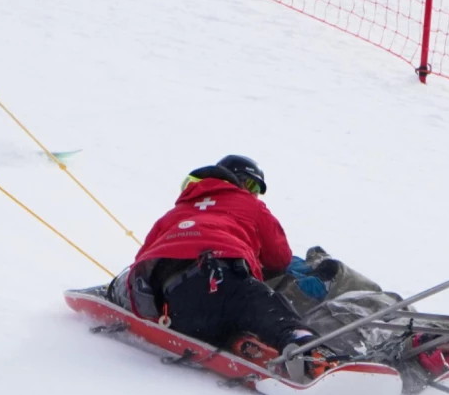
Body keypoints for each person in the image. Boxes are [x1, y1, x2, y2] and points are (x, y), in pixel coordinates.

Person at [123, 155, 333, 381]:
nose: (251, 192)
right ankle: (308, 349)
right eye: (250, 184)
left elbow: (142, 261)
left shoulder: (174, 214)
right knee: (264, 305)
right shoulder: (251, 205)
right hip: (221, 281)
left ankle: (241, 342)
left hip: (171, 307)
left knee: (228, 315)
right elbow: (279, 258)